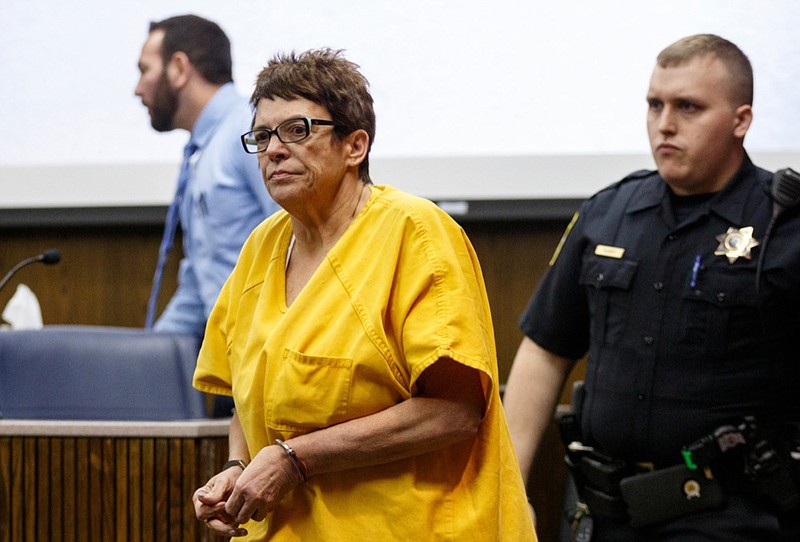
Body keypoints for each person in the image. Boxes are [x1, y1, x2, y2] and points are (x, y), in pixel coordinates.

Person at [190, 48, 536, 541]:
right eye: (262, 136)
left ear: (355, 146)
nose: (273, 150)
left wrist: (296, 459)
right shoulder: (260, 247)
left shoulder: (415, 234)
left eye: (297, 130)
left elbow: (455, 411)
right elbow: (248, 405)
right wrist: (236, 467)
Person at [503, 33, 800, 541]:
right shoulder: (608, 212)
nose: (665, 124)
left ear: (741, 121)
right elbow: (545, 353)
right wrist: (508, 494)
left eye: (688, 107)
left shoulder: (784, 228)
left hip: (731, 518)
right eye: (655, 104)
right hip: (606, 512)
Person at [135, 14, 279, 337]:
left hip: (268, 358)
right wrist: (147, 357)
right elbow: (199, 287)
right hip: (235, 359)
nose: (137, 88)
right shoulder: (204, 150)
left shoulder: (250, 127)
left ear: (179, 69)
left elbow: (298, 235)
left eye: (145, 70)